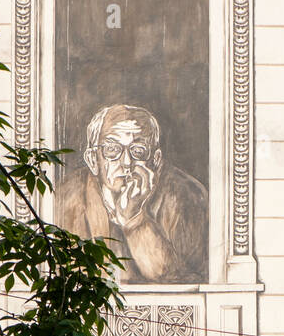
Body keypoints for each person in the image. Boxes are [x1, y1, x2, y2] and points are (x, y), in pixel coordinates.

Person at [54, 103, 208, 283]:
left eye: (138, 151)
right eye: (112, 150)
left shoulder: (188, 197)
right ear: (93, 160)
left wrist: (134, 220)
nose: (126, 163)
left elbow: (178, 282)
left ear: (156, 160)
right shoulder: (63, 198)